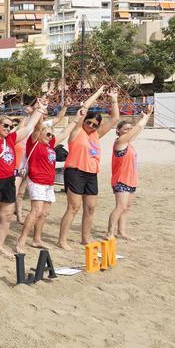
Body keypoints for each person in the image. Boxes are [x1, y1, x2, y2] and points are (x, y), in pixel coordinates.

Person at [0, 96, 45, 261]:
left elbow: (30, 128)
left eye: (10, 126)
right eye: (4, 125)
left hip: (8, 181)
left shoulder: (10, 139)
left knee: (6, 216)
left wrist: (39, 110)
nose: (8, 128)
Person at [58, 86, 119, 249]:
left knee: (90, 208)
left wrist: (113, 98)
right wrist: (99, 92)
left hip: (91, 173)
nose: (91, 126)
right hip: (75, 171)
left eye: (94, 124)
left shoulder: (95, 135)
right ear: (84, 121)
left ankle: (85, 238)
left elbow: (114, 119)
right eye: (89, 122)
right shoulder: (77, 132)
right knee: (73, 207)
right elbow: (84, 108)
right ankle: (62, 240)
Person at [14, 109, 81, 254]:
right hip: (37, 180)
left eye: (52, 134)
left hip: (48, 183)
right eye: (48, 134)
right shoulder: (34, 143)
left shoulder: (50, 145)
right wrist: (39, 110)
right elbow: (37, 128)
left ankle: (37, 239)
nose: (50, 137)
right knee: (36, 211)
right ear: (41, 134)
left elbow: (64, 133)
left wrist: (76, 119)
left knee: (44, 213)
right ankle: (22, 239)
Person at [107, 105, 153, 241]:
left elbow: (139, 129)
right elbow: (137, 128)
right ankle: (109, 233)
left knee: (126, 207)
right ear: (118, 131)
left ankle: (121, 232)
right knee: (120, 207)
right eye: (125, 129)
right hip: (121, 179)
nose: (128, 131)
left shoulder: (129, 143)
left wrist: (147, 115)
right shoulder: (120, 142)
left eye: (129, 129)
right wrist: (143, 117)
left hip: (131, 179)